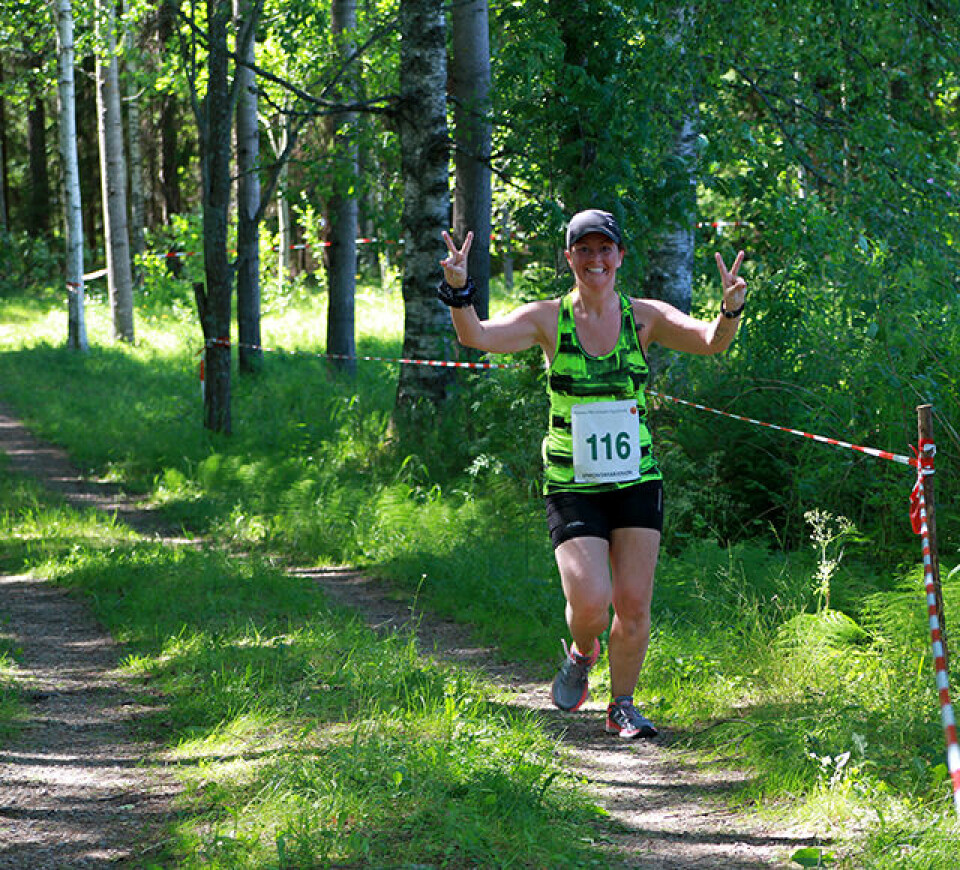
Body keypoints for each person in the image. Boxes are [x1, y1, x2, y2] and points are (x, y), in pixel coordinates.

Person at [438, 209, 746, 738]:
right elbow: (477, 337)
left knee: (633, 604)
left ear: (620, 257)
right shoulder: (547, 319)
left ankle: (621, 704)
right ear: (570, 259)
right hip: (572, 484)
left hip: (636, 480)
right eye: (584, 250)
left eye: (605, 249)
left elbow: (711, 341)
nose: (595, 259)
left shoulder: (643, 317)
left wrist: (731, 308)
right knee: (589, 605)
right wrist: (460, 289)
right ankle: (583, 651)